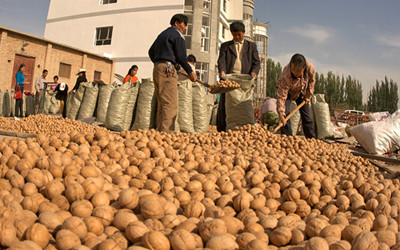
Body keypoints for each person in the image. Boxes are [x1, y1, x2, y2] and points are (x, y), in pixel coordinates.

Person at [148, 13, 197, 132]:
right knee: (170, 104)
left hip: (157, 68)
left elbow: (151, 51)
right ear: (176, 23)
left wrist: (159, 62)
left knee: (162, 103)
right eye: (184, 24)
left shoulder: (162, 35)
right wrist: (190, 72)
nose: (185, 28)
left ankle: (159, 134)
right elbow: (181, 56)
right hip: (167, 70)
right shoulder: (177, 35)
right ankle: (166, 135)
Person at [216, 21, 260, 132]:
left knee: (244, 103)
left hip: (245, 80)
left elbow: (257, 63)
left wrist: (254, 73)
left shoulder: (251, 46)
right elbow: (221, 61)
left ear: (244, 32)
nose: (237, 37)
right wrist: (222, 72)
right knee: (225, 103)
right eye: (234, 34)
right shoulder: (225, 46)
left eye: (239, 34)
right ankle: (223, 129)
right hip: (230, 79)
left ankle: (246, 127)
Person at [276, 53, 316, 139]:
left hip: (300, 90)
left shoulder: (310, 68)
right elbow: (281, 97)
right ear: (290, 65)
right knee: (285, 116)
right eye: (293, 70)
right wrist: (281, 114)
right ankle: (287, 139)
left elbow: (312, 81)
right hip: (287, 92)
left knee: (307, 116)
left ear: (303, 68)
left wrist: (308, 95)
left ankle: (312, 139)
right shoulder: (285, 76)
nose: (295, 73)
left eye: (298, 71)